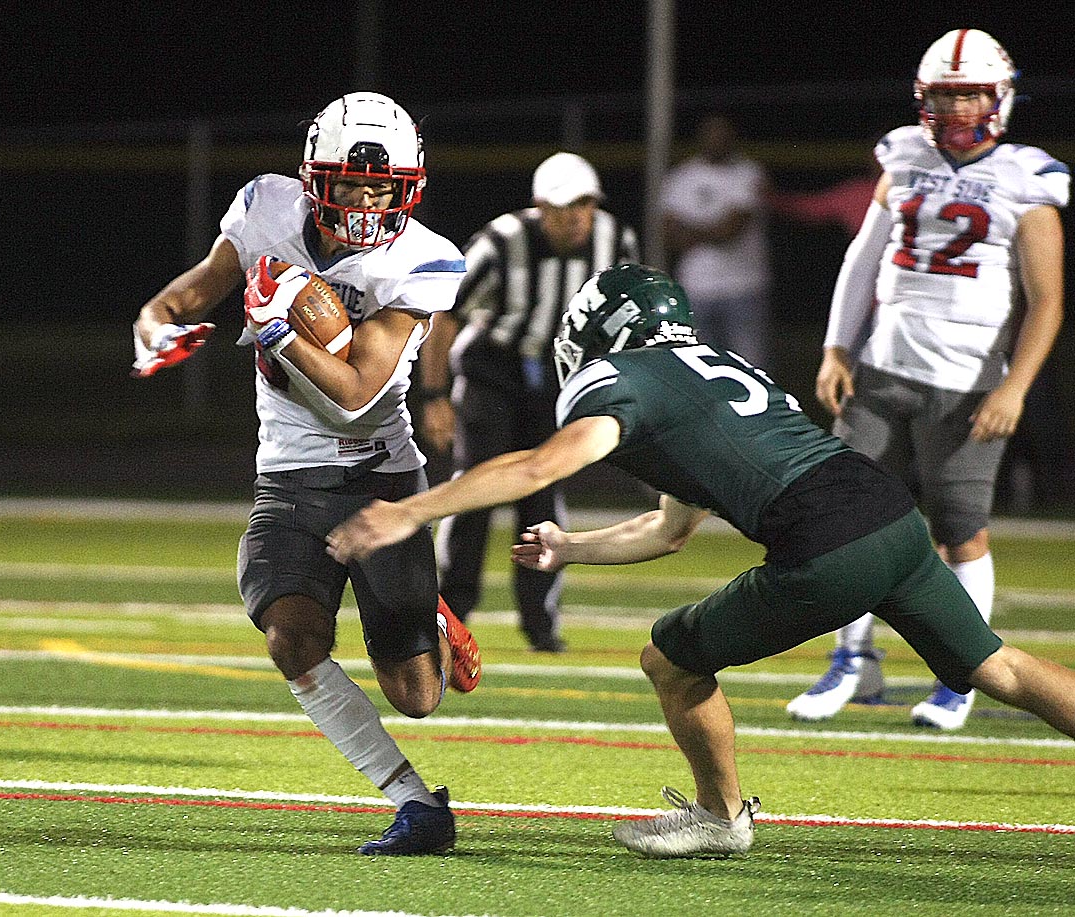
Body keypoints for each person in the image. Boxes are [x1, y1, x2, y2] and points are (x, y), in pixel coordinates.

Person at [326, 263, 1075, 859]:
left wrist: (409, 510)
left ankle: (721, 818)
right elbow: (671, 527)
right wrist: (572, 547)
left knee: (671, 658)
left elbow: (536, 469)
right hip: (889, 515)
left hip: (826, 540)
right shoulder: (708, 365)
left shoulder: (618, 378)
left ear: (606, 331)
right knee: (999, 667)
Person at [131, 91, 483, 856]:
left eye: (380, 187)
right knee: (292, 637)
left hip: (382, 478)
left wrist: (279, 327)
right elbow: (198, 285)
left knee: (418, 694)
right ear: (314, 178)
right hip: (289, 476)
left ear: (406, 188)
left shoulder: (423, 256)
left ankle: (430, 613)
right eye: (350, 184)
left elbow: (357, 395)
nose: (364, 201)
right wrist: (153, 323)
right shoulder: (265, 207)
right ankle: (416, 804)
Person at [786, 28, 1069, 730]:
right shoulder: (904, 153)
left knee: (960, 528)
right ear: (924, 99)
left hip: (969, 382)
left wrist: (1014, 388)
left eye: (970, 92)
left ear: (998, 97)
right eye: (945, 94)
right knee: (843, 519)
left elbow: (1048, 299)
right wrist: (836, 347)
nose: (959, 108)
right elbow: (864, 257)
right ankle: (851, 660)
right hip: (883, 367)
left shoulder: (1028, 176)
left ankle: (961, 675)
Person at [418, 151, 639, 653]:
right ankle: (449, 617)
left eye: (583, 205)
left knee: (545, 498)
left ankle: (541, 622)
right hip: (492, 371)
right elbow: (444, 314)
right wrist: (433, 395)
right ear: (540, 205)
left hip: (562, 380)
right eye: (563, 207)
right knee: (475, 490)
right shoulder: (500, 242)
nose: (575, 217)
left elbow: (627, 317)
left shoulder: (614, 240)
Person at [658, 113, 773, 371]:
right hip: (695, 289)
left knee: (751, 369)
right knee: (699, 370)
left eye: (722, 133)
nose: (716, 139)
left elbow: (731, 230)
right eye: (711, 133)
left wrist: (691, 230)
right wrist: (713, 228)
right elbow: (668, 234)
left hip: (744, 287)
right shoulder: (682, 176)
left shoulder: (748, 173)